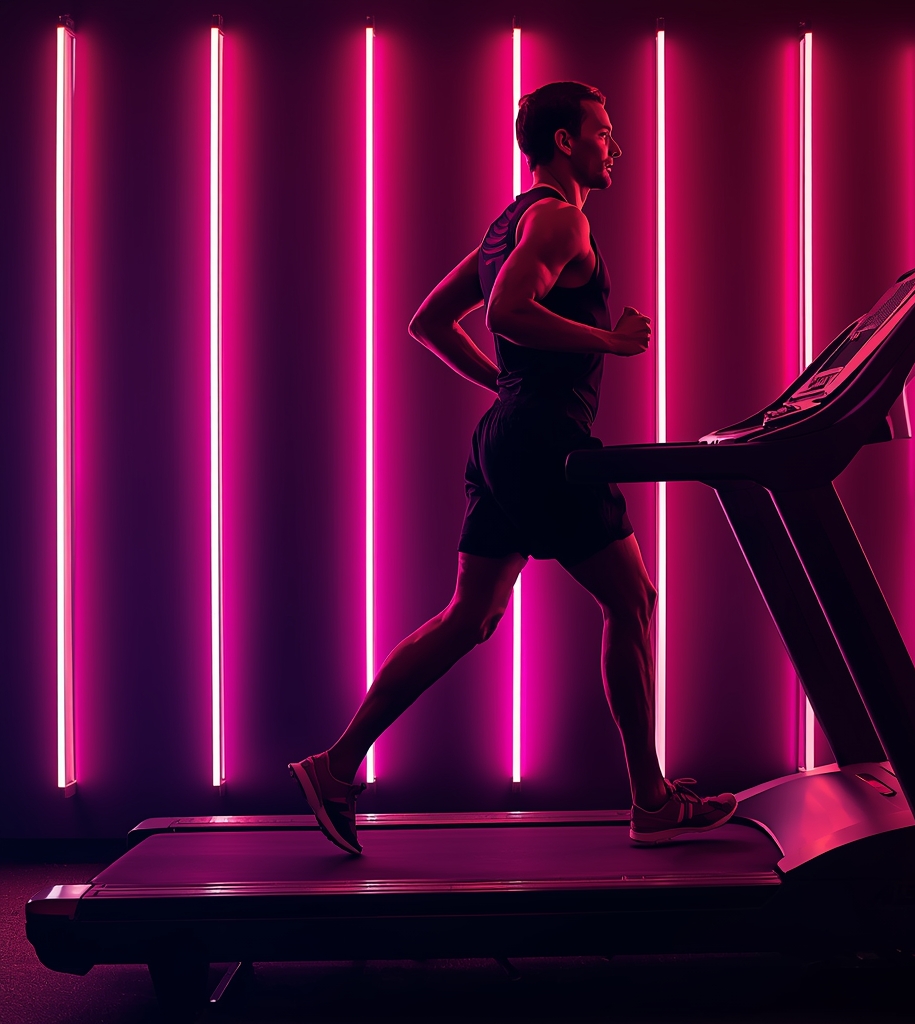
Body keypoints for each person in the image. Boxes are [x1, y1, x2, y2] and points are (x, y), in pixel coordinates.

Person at [289, 81, 736, 854]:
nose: (614, 147)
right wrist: (610, 343)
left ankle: (335, 766)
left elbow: (429, 321)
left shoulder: (508, 223)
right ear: (563, 141)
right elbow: (503, 313)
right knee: (633, 602)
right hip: (546, 444)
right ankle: (652, 801)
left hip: (504, 433)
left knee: (471, 617)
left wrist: (506, 385)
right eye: (602, 132)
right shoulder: (562, 220)